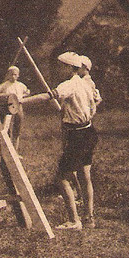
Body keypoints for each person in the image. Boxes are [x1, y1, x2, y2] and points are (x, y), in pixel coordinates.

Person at [24, 52, 101, 230]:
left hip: (77, 135)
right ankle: (89, 218)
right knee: (84, 176)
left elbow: (48, 96)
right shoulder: (85, 83)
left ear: (69, 68)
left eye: (61, 66)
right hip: (89, 131)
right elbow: (94, 104)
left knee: (62, 178)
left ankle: (74, 220)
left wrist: (22, 101)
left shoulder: (69, 84)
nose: (58, 69)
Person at [0, 65, 31, 152]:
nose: (13, 76)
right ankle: (6, 151)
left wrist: (22, 97)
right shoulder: (5, 85)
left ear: (18, 75)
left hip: (18, 107)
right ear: (8, 75)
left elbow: (27, 92)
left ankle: (15, 151)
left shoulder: (21, 85)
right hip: (8, 108)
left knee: (17, 129)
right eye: (11, 74)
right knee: (6, 128)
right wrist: (2, 98)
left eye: (15, 75)